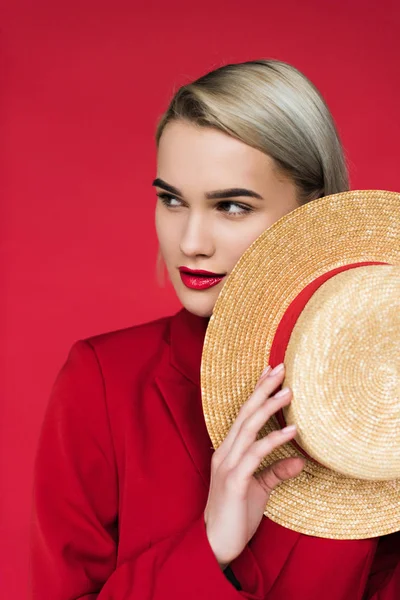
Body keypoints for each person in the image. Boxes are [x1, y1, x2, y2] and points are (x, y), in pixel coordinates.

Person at [29, 59, 400, 599]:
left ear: (313, 213)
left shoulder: (386, 402)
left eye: (231, 206)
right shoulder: (102, 383)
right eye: (172, 200)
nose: (191, 241)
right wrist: (208, 548)